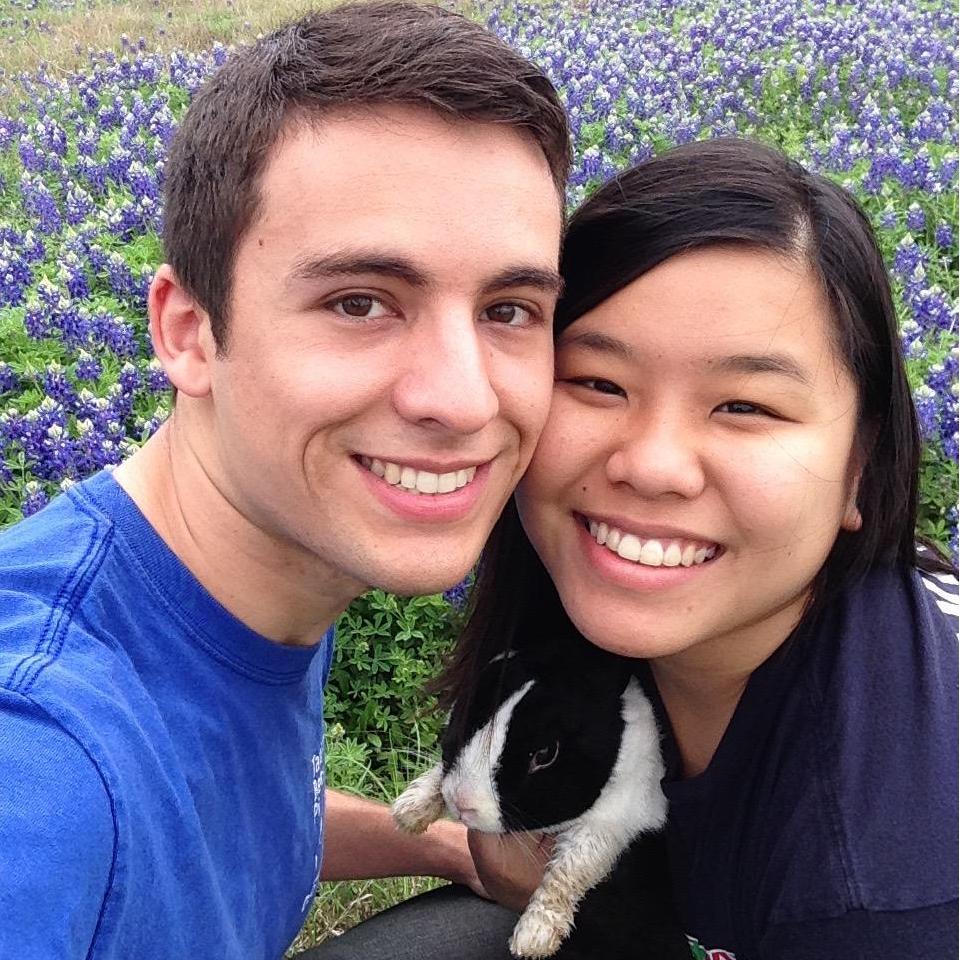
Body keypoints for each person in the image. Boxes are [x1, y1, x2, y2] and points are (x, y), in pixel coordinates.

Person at [0, 4, 571, 958]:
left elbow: (222, 798)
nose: (463, 399)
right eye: (358, 301)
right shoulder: (42, 759)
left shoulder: (244, 569)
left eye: (509, 309)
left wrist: (449, 846)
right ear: (188, 330)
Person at [310, 138, 958, 959]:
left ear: (860, 466)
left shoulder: (885, 898)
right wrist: (450, 840)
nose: (651, 466)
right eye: (598, 382)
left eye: (747, 406)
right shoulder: (603, 636)